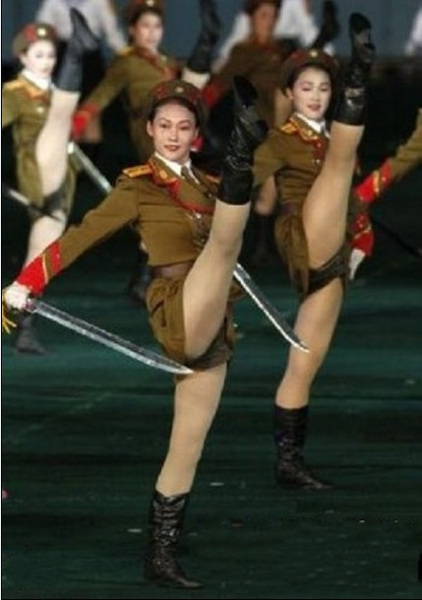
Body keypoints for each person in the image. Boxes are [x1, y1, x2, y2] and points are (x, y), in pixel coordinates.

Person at [2, 76, 268, 589]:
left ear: (195, 133)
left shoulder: (206, 183)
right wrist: (27, 281)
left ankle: (160, 556)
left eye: (183, 127)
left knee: (187, 446)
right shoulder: (138, 187)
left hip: (214, 318)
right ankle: (244, 149)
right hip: (177, 306)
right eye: (164, 126)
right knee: (222, 245)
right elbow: (80, 237)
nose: (173, 135)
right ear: (149, 129)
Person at [251, 14, 376, 489]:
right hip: (301, 234)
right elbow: (240, 180)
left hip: (333, 247)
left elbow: (350, 200)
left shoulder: (331, 138)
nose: (316, 96)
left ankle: (289, 461)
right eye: (307, 88)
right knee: (340, 161)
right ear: (290, 93)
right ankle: (360, 75)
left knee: (306, 359)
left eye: (325, 88)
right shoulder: (282, 140)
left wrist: (362, 234)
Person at [71, 0, 221, 304]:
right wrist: (78, 122)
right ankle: (146, 277)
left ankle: (144, 278)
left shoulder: (166, 61)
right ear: (132, 30)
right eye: (145, 26)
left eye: (157, 26)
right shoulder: (126, 63)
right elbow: (103, 93)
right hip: (149, 131)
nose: (152, 32)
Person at [2, 11, 98, 354]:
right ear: (23, 58)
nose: (45, 62)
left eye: (51, 55)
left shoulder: (52, 89)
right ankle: (77, 52)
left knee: (41, 253)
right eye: (39, 55)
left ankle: (24, 328)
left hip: (61, 177)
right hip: (38, 169)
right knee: (58, 118)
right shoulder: (14, 92)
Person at [35, 0, 127, 151]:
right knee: (64, 112)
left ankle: (91, 159)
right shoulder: (53, 2)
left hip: (90, 61)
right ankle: (67, 158)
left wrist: (129, 57)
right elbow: (42, 30)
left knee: (91, 111)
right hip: (64, 58)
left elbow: (113, 34)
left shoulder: (99, 2)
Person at [214, 0, 339, 72]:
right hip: (257, 53)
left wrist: (328, 52)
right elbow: (236, 38)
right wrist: (219, 65)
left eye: (274, 16)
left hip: (285, 51)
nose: (270, 21)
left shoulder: (293, 3)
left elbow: (308, 31)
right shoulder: (242, 49)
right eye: (264, 16)